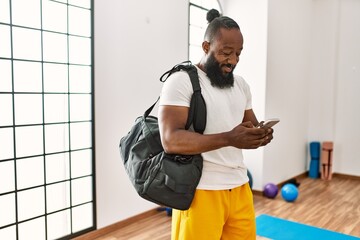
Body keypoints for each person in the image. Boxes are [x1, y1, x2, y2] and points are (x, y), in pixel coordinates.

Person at [158, 9, 274, 240]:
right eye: (226, 53)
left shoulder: (241, 85)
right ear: (205, 47)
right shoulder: (181, 81)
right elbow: (170, 140)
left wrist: (261, 134)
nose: (233, 61)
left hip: (240, 187)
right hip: (200, 191)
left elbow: (248, 126)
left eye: (238, 54)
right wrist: (229, 138)